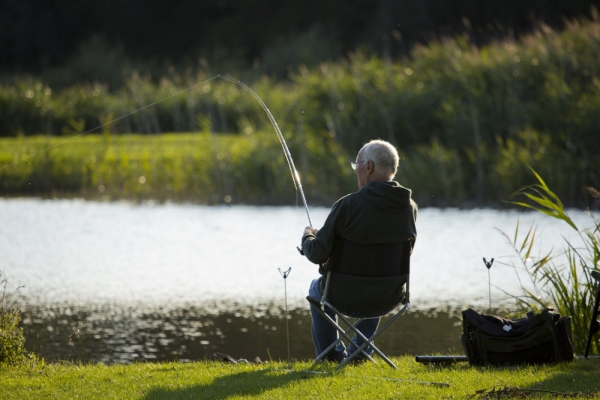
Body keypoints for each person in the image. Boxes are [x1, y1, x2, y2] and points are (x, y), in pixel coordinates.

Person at [301, 139, 418, 362]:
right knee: (377, 279)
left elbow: (317, 253)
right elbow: (406, 252)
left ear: (369, 167)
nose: (356, 171)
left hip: (341, 295)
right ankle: (360, 353)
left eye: (357, 165)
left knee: (317, 289)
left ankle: (331, 357)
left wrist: (308, 235)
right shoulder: (409, 208)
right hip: (389, 295)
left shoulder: (347, 206)